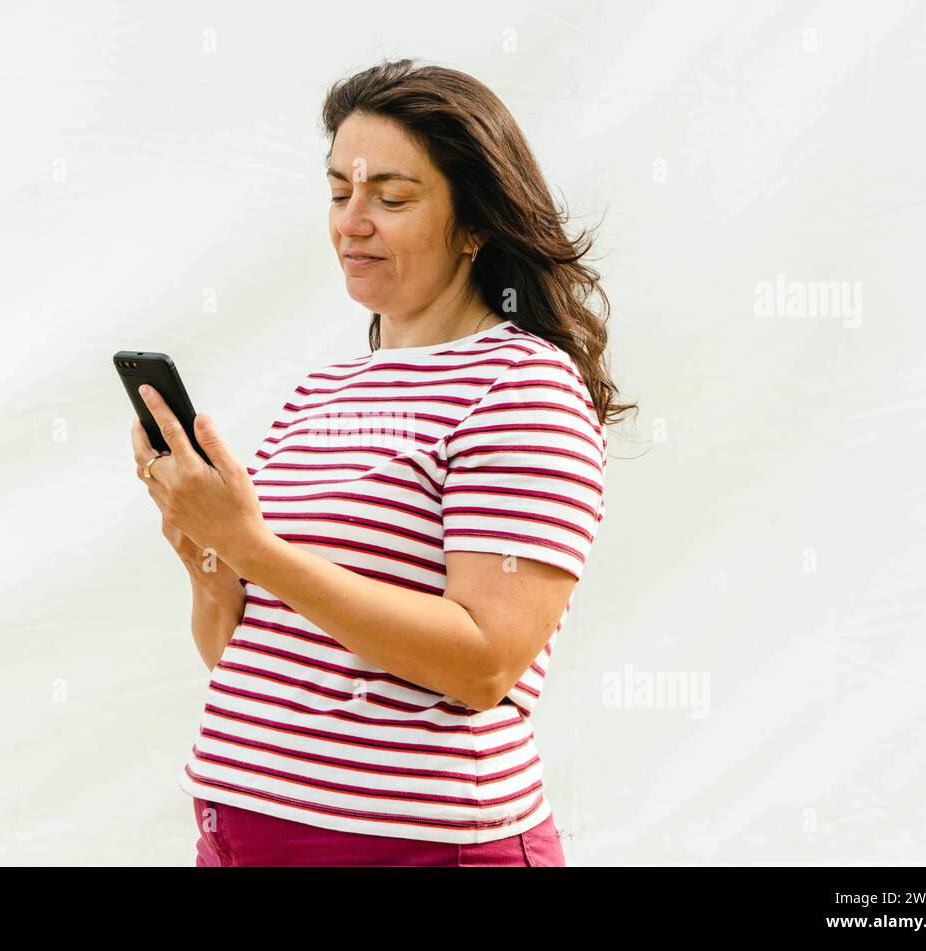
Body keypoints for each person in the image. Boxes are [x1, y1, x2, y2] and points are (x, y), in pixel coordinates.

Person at [130, 58, 636, 866]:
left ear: (474, 225)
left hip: (416, 850)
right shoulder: (321, 394)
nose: (351, 222)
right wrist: (208, 557)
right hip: (242, 836)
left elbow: (484, 662)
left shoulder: (524, 386)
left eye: (391, 199)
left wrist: (256, 547)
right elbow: (247, 655)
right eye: (339, 193)